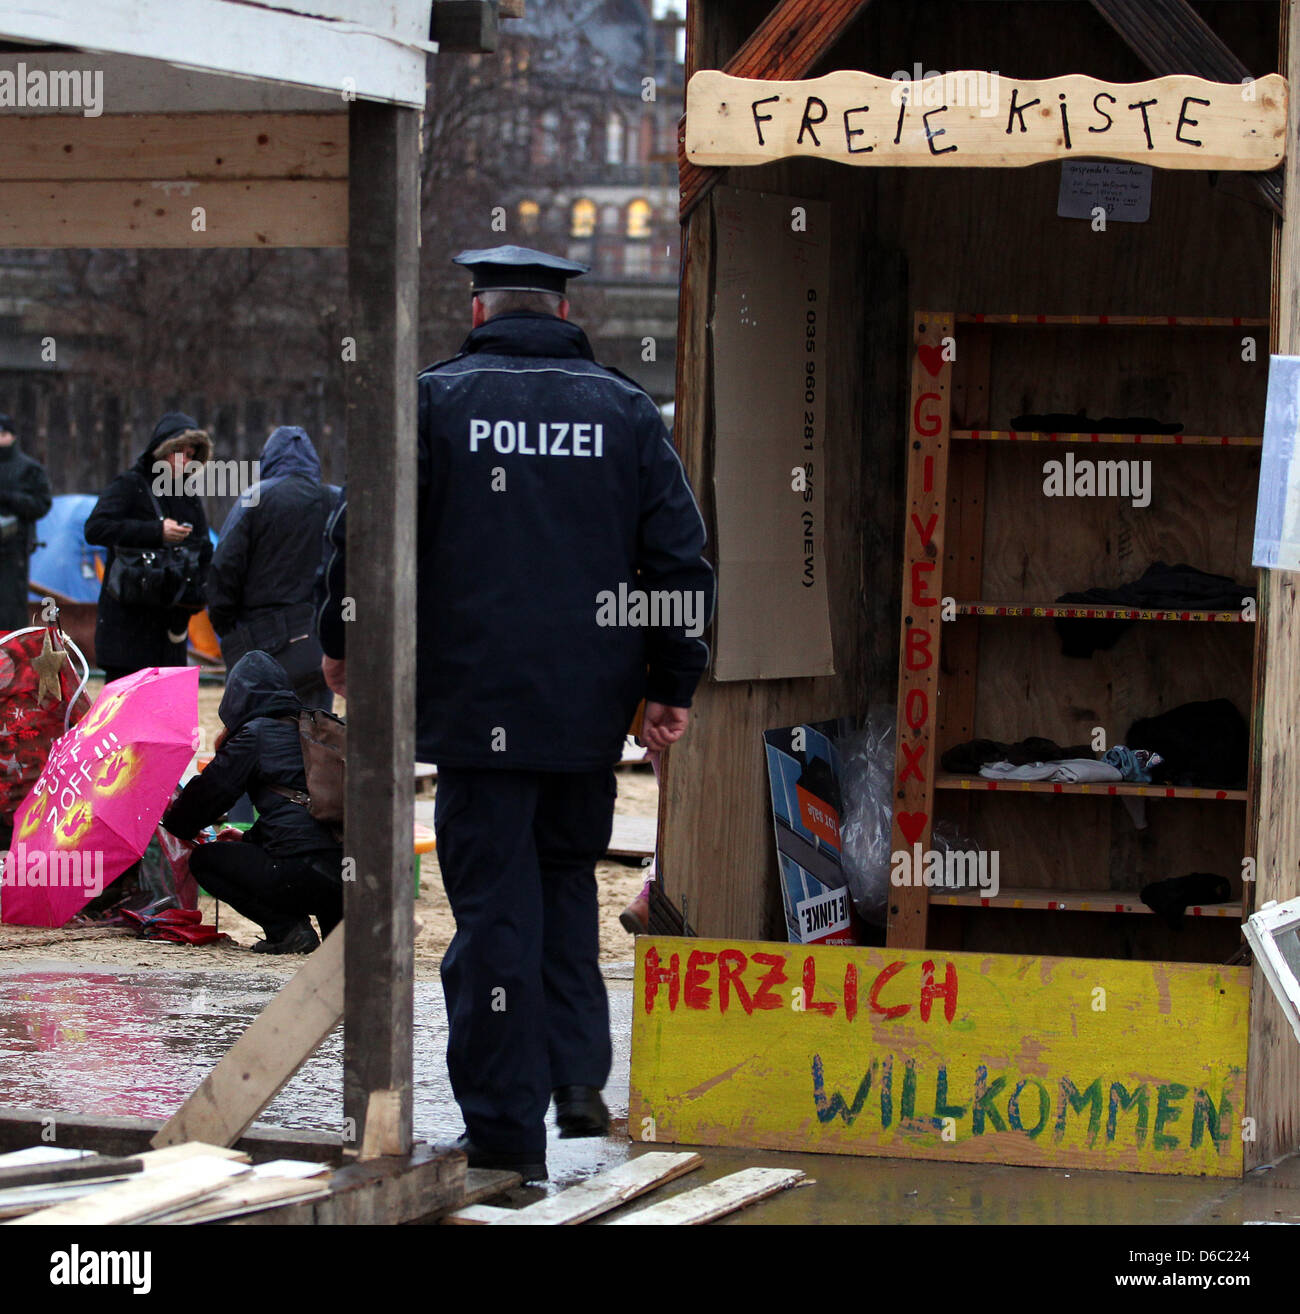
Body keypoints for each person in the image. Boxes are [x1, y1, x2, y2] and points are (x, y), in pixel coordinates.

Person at [319, 244, 714, 1181]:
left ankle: (504, 1135)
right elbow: (680, 557)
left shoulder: (432, 400)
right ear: (567, 315)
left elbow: (365, 530)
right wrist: (672, 681)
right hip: (586, 713)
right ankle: (578, 1079)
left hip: (475, 706)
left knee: (496, 913)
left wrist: (343, 639)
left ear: (479, 309)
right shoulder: (624, 412)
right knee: (567, 884)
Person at [161, 650, 342, 954]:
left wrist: (174, 819)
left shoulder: (256, 734)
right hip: (352, 876)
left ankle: (288, 930)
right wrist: (249, 839)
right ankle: (335, 935)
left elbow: (205, 799)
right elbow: (305, 808)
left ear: (236, 699)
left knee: (206, 861)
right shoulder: (322, 728)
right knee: (337, 944)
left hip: (301, 873)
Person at [206, 425, 337, 710]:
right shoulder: (335, 501)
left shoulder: (255, 499)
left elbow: (224, 567)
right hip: (316, 644)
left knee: (256, 734)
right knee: (314, 735)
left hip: (259, 641)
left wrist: (227, 627)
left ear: (268, 460)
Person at [85, 412, 213, 681]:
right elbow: (96, 528)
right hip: (126, 626)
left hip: (170, 628)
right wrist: (156, 532)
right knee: (124, 718)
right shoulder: (130, 485)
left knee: (167, 717)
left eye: (191, 455)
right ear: (162, 450)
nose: (185, 460)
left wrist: (197, 593)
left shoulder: (187, 495)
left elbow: (203, 549)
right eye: (179, 451)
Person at [0, 413, 52, 633]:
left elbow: (41, 504)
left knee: (9, 609)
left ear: (11, 436)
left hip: (13, 550)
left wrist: (8, 497)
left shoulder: (28, 469)